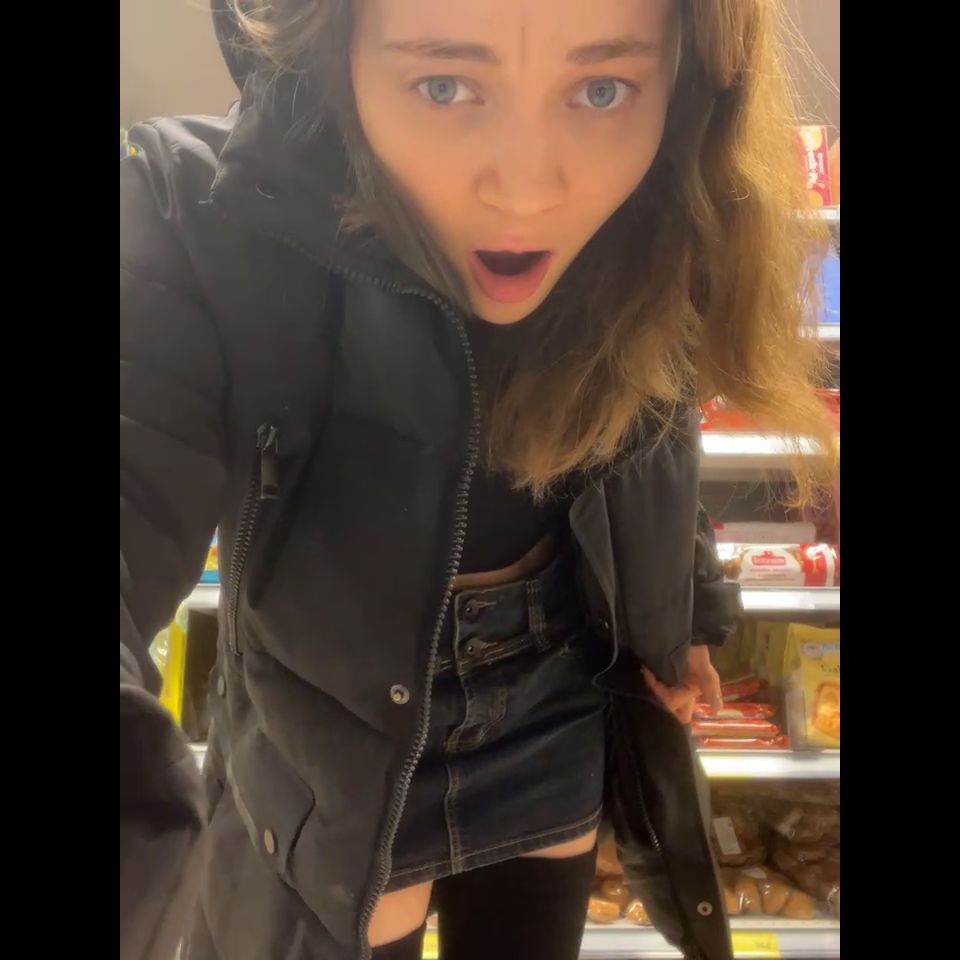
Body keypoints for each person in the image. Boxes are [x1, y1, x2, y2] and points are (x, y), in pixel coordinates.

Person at [119, 2, 831, 959]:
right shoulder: (208, 213)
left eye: (601, 89)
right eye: (445, 84)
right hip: (341, 725)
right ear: (332, 52)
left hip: (555, 685)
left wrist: (688, 606)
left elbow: (650, 428)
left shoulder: (647, 222)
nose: (527, 192)